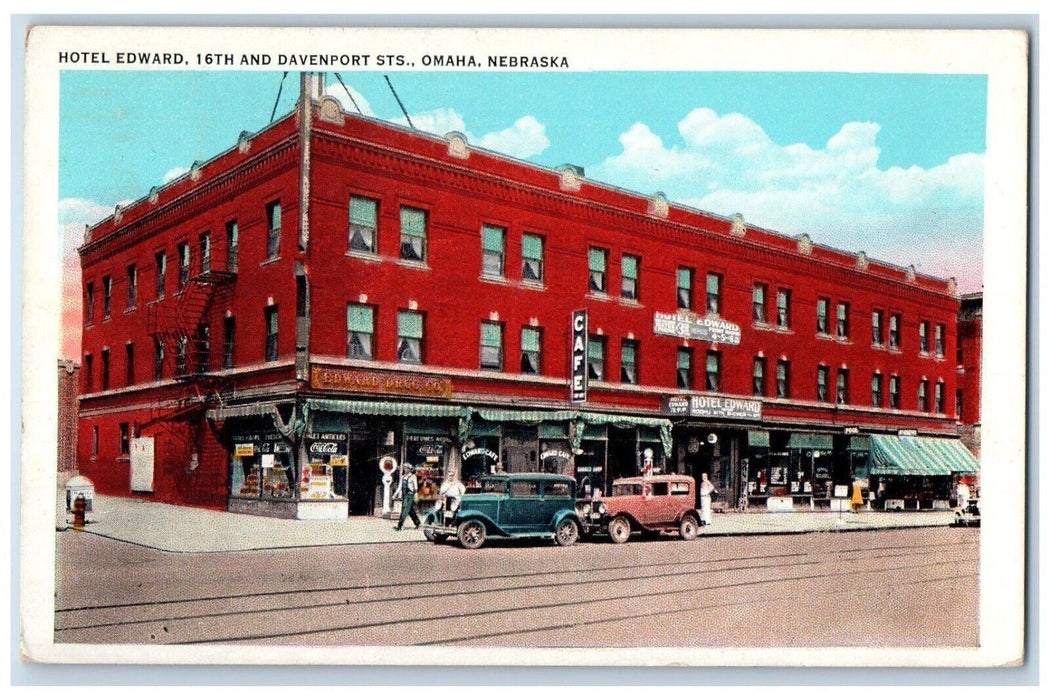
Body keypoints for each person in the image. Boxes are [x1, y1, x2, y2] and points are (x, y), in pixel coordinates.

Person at [393, 466, 421, 530]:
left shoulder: (413, 476)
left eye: (407, 468)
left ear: (410, 469)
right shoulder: (402, 477)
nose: (405, 469)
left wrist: (416, 495)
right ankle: (417, 523)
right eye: (405, 468)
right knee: (410, 510)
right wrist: (395, 494)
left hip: (410, 495)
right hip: (404, 495)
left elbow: (415, 487)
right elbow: (399, 487)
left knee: (404, 509)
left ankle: (400, 525)